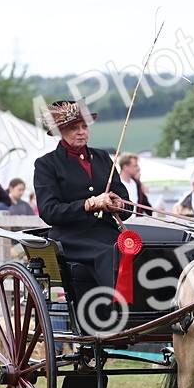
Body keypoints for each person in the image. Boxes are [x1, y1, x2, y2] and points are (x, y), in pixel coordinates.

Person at [32, 100, 129, 296]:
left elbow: (123, 199)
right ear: (60, 132)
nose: (81, 131)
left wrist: (118, 204)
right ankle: (119, 309)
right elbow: (49, 211)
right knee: (110, 252)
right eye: (73, 128)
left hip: (106, 232)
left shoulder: (102, 157)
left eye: (84, 126)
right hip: (70, 237)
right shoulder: (47, 164)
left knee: (141, 247)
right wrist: (89, 204)